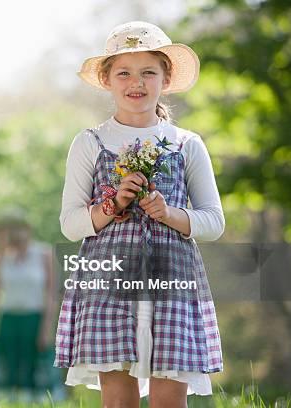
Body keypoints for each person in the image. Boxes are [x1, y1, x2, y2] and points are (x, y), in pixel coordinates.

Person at [55, 21, 225, 407]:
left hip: (172, 277)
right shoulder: (91, 142)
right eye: (124, 73)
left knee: (169, 398)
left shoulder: (186, 145)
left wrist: (169, 214)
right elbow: (70, 224)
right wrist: (113, 205)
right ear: (107, 79)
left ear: (165, 77)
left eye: (149, 71)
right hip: (109, 276)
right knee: (117, 398)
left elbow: (214, 222)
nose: (137, 82)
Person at [0, 210, 62, 402]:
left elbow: (51, 294)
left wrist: (47, 328)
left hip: (34, 319)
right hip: (8, 320)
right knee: (8, 371)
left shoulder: (43, 253)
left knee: (34, 372)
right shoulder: (1, 258)